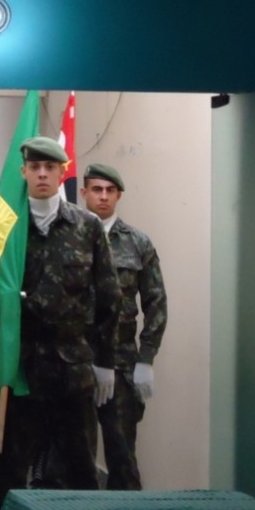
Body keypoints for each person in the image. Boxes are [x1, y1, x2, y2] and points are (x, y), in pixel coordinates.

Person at [0, 136, 122, 510]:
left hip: (72, 366)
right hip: (21, 365)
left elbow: (109, 298)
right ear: (23, 172)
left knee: (81, 466)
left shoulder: (86, 227)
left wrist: (105, 362)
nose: (42, 174)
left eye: (50, 167)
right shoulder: (8, 227)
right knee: (9, 466)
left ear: (62, 172)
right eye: (35, 167)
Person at [82, 163, 167, 489]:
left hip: (121, 362)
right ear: (84, 192)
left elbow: (156, 302)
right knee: (73, 456)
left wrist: (146, 358)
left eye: (110, 190)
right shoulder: (68, 237)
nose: (103, 196)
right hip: (75, 360)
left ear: (118, 195)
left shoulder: (137, 243)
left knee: (122, 455)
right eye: (97, 189)